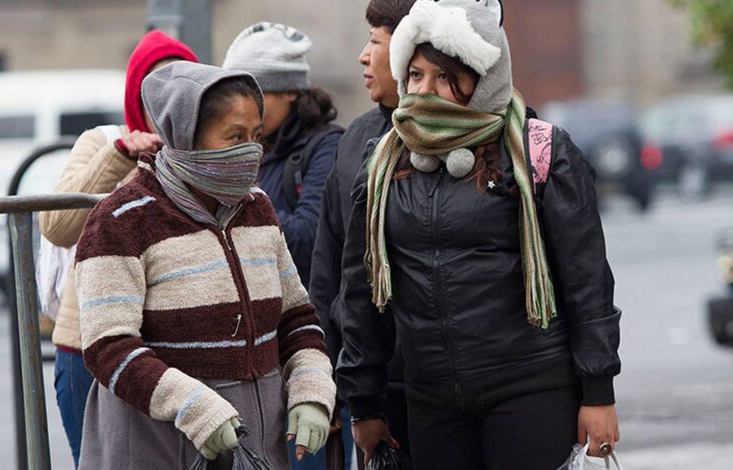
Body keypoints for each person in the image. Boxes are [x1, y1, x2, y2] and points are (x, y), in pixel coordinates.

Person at [336, 1, 622, 469]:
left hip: (530, 390)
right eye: (415, 75)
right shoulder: (383, 162)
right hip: (431, 402)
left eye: (445, 77)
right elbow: (361, 290)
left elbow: (587, 282)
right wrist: (364, 401)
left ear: (482, 81)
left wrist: (598, 392)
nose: (425, 90)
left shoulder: (538, 153)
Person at [74, 61, 336, 469]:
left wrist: (311, 390)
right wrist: (195, 408)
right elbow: (109, 346)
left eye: (256, 136)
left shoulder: (258, 209)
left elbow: (296, 318)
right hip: (157, 446)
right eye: (234, 136)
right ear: (185, 137)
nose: (250, 150)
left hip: (256, 446)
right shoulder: (121, 221)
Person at [38, 30, 197, 468]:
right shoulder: (103, 142)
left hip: (175, 352)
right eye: (154, 89)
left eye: (179, 89)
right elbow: (55, 225)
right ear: (135, 93)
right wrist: (121, 155)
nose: (167, 103)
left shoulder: (203, 154)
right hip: (90, 349)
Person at [308, 1, 415, 467]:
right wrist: (327, 378)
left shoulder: (465, 144)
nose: (362, 56)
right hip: (372, 382)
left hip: (445, 382)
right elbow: (330, 269)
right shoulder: (356, 140)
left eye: (375, 41)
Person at [222, 22, 342, 290]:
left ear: (290, 90)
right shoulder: (249, 145)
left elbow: (309, 240)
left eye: (254, 96)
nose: (241, 110)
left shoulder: (327, 147)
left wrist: (236, 190)